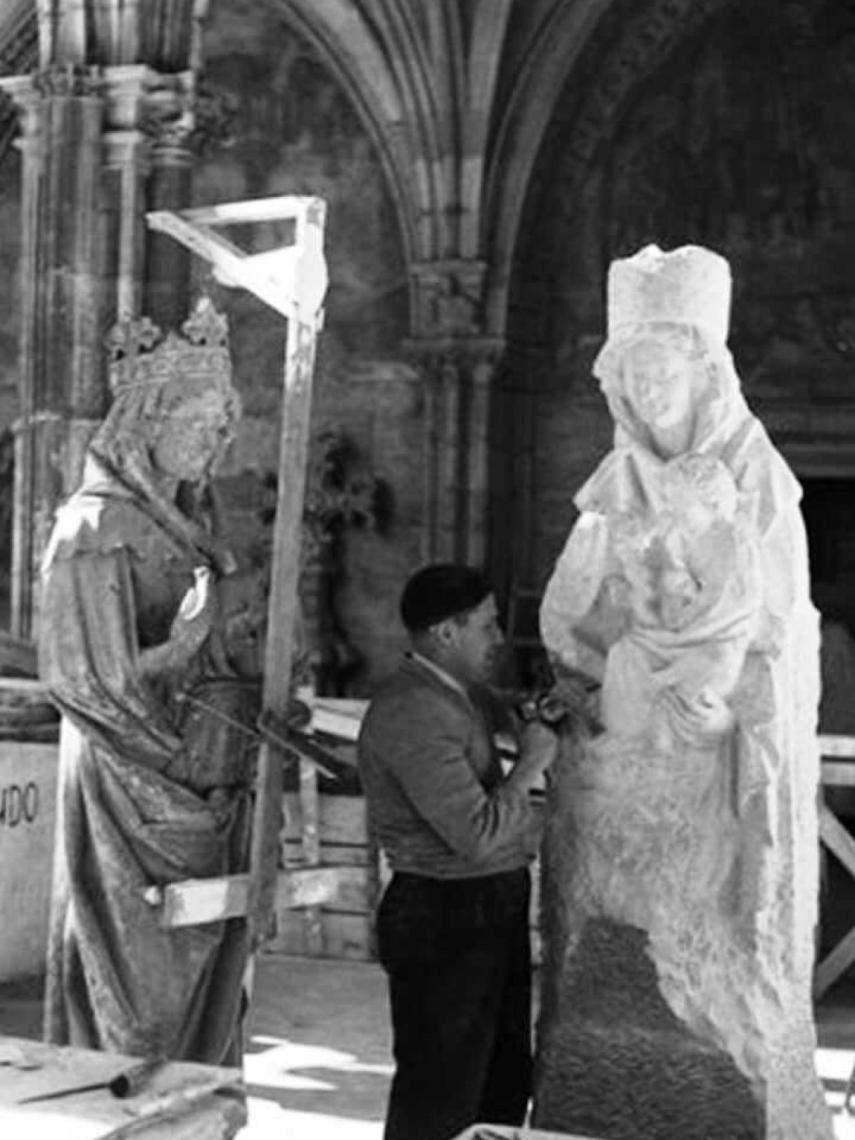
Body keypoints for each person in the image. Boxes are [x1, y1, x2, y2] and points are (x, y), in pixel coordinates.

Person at [40, 298, 255, 1064]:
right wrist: (181, 646)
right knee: (139, 1005)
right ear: (146, 420)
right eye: (202, 422)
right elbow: (77, 679)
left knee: (210, 994)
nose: (217, 439)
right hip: (125, 799)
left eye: (225, 424)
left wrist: (243, 655)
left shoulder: (190, 529)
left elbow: (208, 664)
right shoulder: (92, 528)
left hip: (205, 791)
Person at [358, 563, 558, 1140]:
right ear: (446, 633)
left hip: (484, 909)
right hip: (444, 912)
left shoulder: (457, 694)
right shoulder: (412, 711)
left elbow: (511, 716)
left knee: (500, 1082)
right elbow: (476, 836)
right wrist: (531, 765)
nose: (499, 639)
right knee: (440, 1094)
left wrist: (530, 716)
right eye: (488, 626)